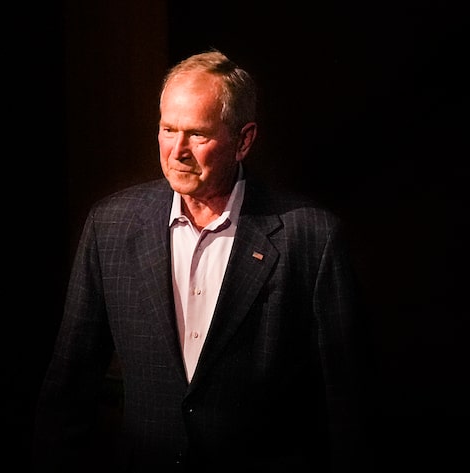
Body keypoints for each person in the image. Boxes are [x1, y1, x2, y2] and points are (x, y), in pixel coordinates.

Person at [32, 49, 374, 472]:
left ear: (243, 140)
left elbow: (347, 402)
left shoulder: (311, 238)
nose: (177, 150)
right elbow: (70, 381)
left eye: (197, 134)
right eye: (167, 129)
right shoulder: (111, 226)